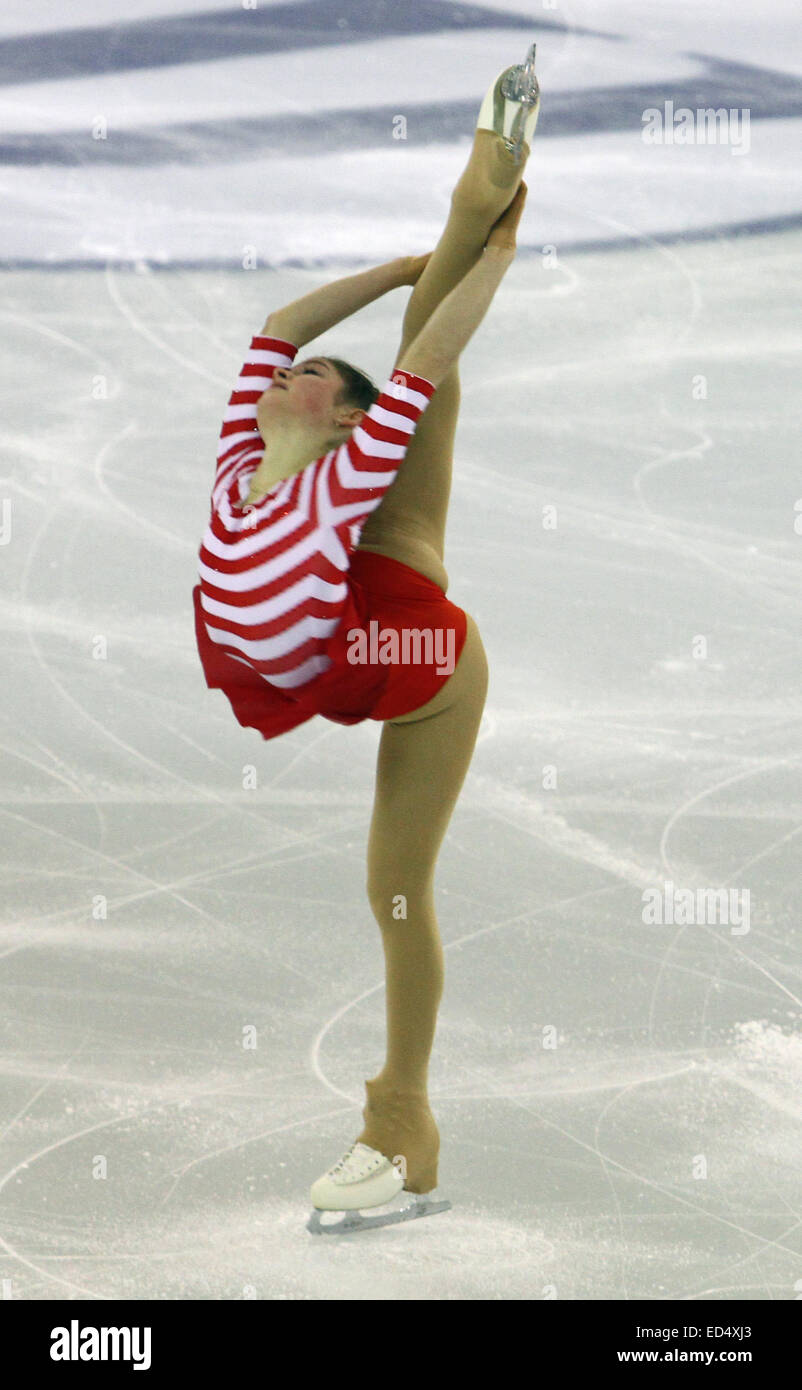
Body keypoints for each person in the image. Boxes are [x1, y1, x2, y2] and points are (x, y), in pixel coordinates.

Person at [192, 44, 541, 1216]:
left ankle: (401, 1124)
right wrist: (403, 265)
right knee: (413, 444)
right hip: (351, 613)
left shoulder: (344, 473)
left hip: (416, 658)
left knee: (394, 889)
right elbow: (283, 321)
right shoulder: (250, 456)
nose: (281, 375)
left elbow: (430, 361)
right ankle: (476, 184)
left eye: (307, 380)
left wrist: (487, 258)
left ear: (338, 422)